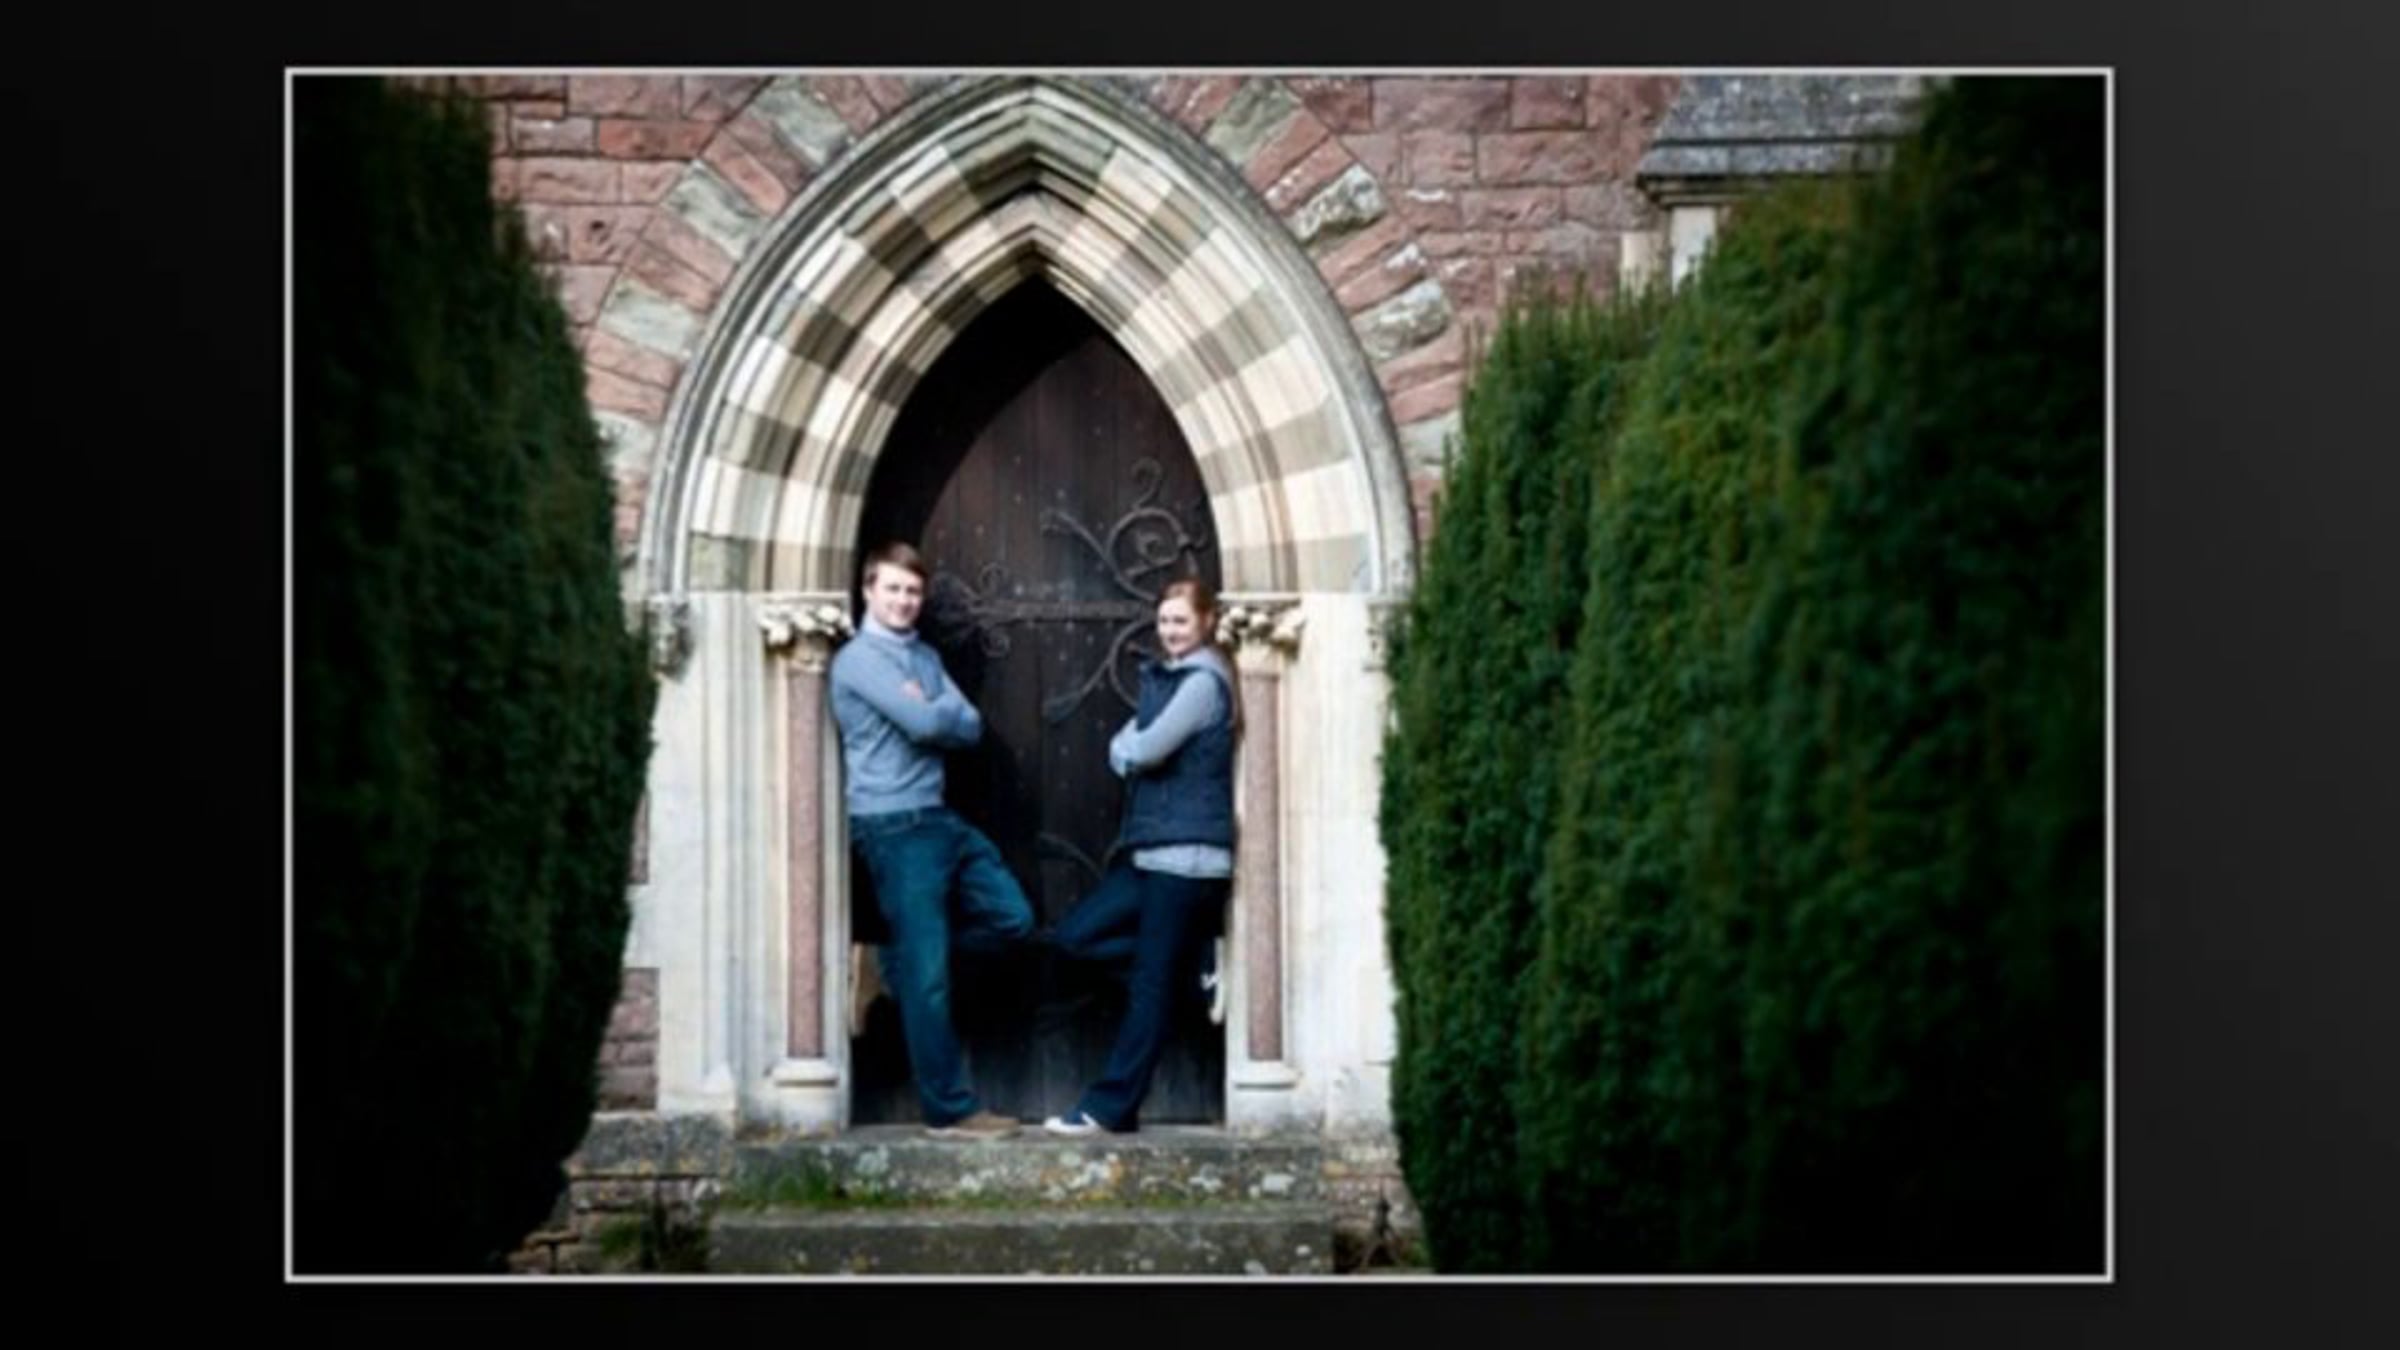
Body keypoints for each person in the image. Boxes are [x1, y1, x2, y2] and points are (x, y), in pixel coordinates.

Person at [829, 541, 1034, 1139]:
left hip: (938, 819)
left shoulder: (921, 654)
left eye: (913, 591)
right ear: (868, 591)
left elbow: (970, 727)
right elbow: (927, 722)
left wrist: (935, 711)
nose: (904, 601)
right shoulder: (858, 660)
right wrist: (935, 711)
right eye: (893, 589)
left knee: (1013, 919)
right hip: (892, 825)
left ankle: (886, 963)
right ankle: (949, 1111)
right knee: (929, 979)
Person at [1041, 577, 1238, 1137]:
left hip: (1188, 857)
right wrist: (1131, 746)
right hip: (1151, 853)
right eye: (1164, 621)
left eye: (1181, 621)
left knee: (1148, 991)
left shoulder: (1201, 683)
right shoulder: (1172, 678)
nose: (1170, 631)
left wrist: (1127, 748)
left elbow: (1142, 748)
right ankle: (1194, 965)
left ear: (1207, 622)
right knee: (1075, 937)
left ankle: (1109, 1109)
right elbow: (1138, 743)